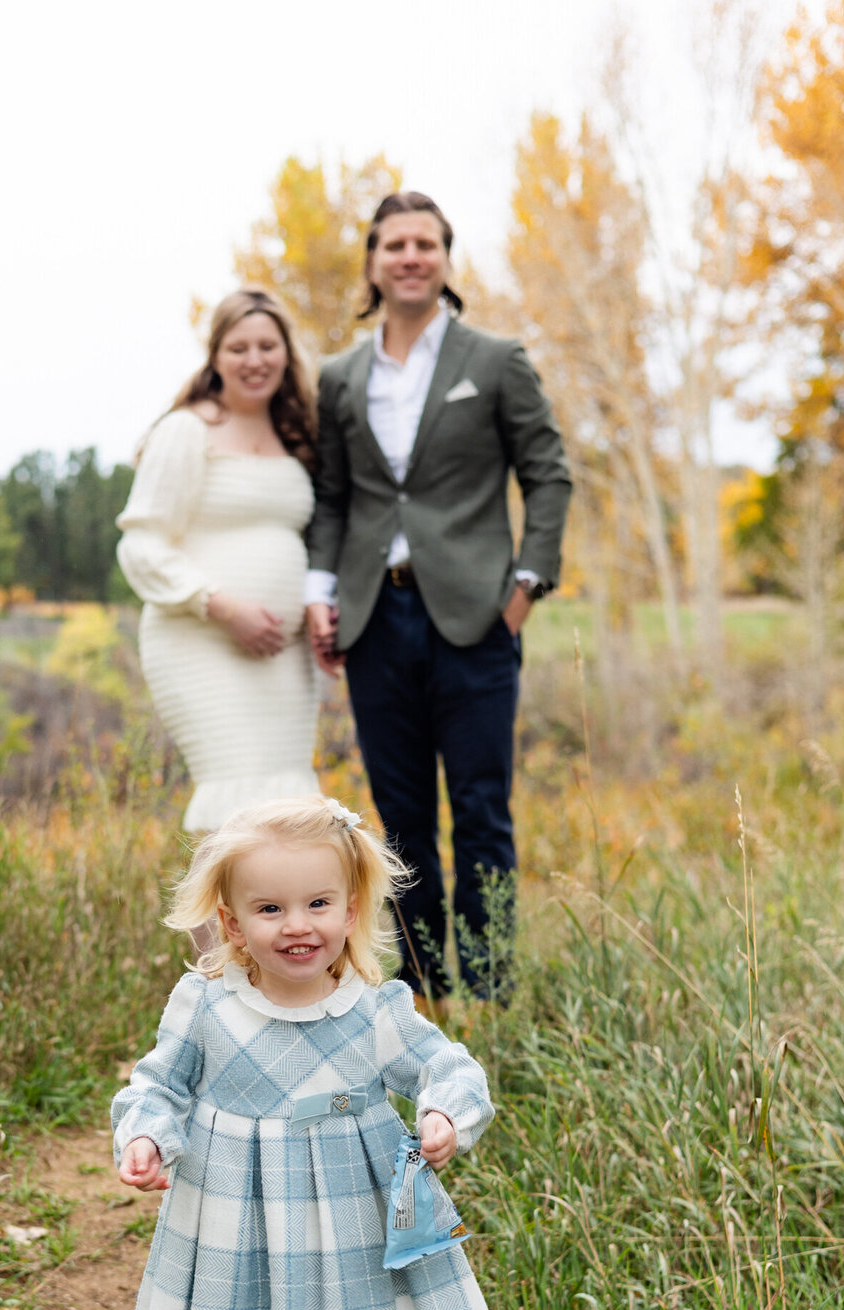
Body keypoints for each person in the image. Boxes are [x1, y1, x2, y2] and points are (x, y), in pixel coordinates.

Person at [112, 795, 499, 1310]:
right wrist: (148, 1133)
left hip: (347, 1224)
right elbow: (161, 1084)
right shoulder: (210, 1005)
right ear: (230, 923)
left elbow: (442, 1065)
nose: (298, 925)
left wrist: (443, 1115)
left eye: (318, 903)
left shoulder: (372, 1010)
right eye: (270, 908)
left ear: (350, 910)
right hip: (240, 1219)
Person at [305, 192, 572, 1002]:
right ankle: (420, 992)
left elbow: (549, 473)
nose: (411, 256)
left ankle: (489, 991)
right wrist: (323, 592)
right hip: (377, 620)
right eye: (395, 244)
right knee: (402, 820)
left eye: (426, 243)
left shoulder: (494, 360)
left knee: (483, 811)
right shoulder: (340, 376)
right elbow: (333, 496)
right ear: (374, 262)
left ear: (446, 260)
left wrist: (525, 587)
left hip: (476, 619)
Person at [116, 289, 321, 833]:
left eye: (267, 346)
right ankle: (210, 924)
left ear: (286, 353)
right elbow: (141, 546)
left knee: (287, 805)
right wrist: (225, 608)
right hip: (202, 640)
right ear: (215, 357)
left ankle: (279, 922)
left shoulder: (296, 435)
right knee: (235, 806)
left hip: (285, 655)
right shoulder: (188, 430)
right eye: (238, 348)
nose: (254, 360)